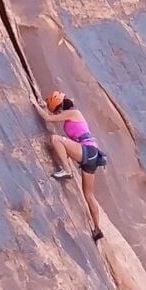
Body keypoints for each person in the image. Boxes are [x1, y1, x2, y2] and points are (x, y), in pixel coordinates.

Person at [31, 91, 106, 242]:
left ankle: (67, 170)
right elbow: (54, 115)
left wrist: (33, 102)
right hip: (91, 154)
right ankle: (97, 229)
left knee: (55, 139)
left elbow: (48, 118)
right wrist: (45, 106)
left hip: (87, 151)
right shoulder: (72, 114)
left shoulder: (73, 113)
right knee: (89, 195)